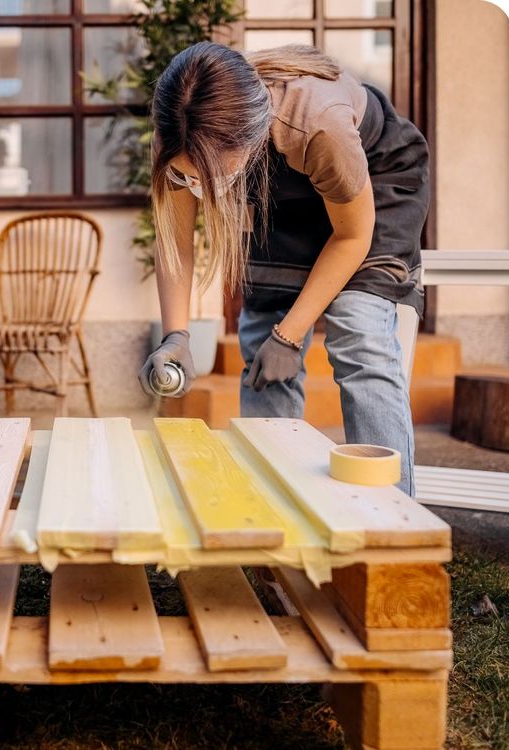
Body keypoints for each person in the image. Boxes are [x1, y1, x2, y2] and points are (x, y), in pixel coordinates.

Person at [138, 42, 430, 495]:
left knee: (360, 332)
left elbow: (351, 236)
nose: (198, 187)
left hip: (373, 181)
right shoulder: (181, 130)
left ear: (248, 140)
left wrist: (290, 335)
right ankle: (271, 509)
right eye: (188, 176)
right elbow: (175, 244)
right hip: (284, 189)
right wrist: (175, 336)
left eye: (209, 177)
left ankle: (393, 521)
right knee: (263, 344)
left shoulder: (318, 125)